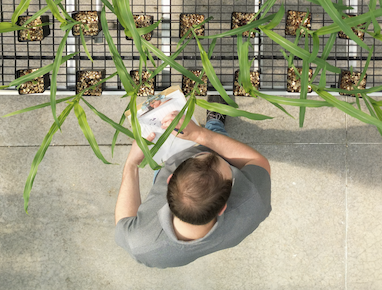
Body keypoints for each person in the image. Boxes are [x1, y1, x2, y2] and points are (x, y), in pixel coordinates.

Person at [114, 98, 271, 268]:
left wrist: (132, 164)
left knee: (163, 138)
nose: (202, 150)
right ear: (223, 208)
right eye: (226, 166)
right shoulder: (254, 202)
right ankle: (214, 124)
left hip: (171, 160)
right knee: (216, 138)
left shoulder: (141, 245)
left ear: (169, 179)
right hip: (204, 152)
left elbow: (124, 221)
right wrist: (199, 135)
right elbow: (256, 160)